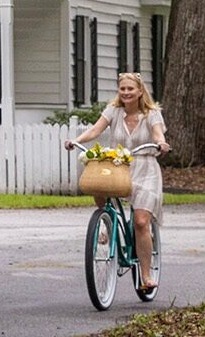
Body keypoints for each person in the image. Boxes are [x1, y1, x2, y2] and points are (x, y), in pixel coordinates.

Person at [66, 71, 169, 296]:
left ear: (140, 91)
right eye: (122, 89)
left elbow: (157, 133)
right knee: (97, 181)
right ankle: (107, 221)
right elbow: (95, 129)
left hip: (145, 168)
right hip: (120, 166)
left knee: (141, 222)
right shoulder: (113, 111)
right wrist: (76, 141)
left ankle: (145, 275)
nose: (126, 93)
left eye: (130, 89)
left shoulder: (152, 113)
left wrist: (161, 143)